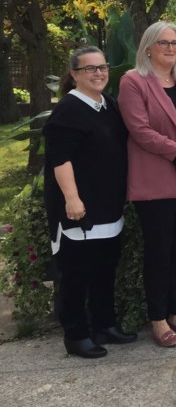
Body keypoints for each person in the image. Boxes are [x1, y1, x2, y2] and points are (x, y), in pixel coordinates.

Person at [118, 22, 176, 347]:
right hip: (156, 181)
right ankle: (158, 319)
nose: (171, 49)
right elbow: (140, 131)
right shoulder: (134, 82)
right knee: (159, 252)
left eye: (174, 43)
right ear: (148, 47)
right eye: (163, 43)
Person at [43, 47, 136, 358]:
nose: (98, 73)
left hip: (109, 207)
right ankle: (76, 334)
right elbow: (60, 159)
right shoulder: (68, 110)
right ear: (74, 74)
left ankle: (104, 325)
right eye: (90, 69)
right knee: (76, 275)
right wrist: (72, 198)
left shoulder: (107, 104)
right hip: (81, 210)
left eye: (102, 67)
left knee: (104, 271)